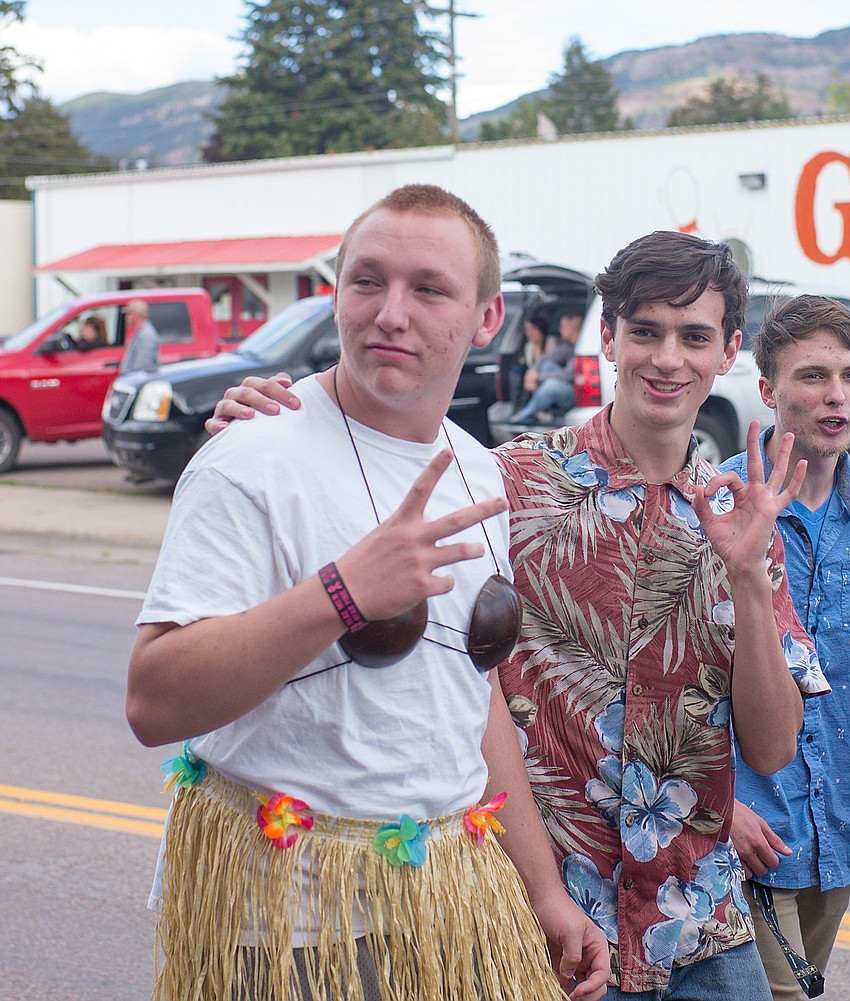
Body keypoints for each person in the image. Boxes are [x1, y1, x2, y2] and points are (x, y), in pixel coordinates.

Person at [208, 230, 829, 999]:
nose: (668, 358)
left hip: (700, 926)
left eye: (694, 336)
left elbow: (770, 750)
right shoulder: (505, 484)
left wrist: (748, 583)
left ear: (728, 350)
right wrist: (277, 420)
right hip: (541, 923)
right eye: (645, 331)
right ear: (607, 338)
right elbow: (366, 492)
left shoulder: (744, 523)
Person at [126, 185, 609, 1001]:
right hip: (286, 923)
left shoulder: (480, 471)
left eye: (429, 288)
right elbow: (154, 701)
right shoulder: (252, 459)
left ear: (486, 318)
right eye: (367, 281)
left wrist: (544, 889)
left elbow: (472, 693)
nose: (391, 312)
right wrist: (342, 594)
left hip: (447, 897)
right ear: (337, 292)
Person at [722, 295, 850, 1001]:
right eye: (812, 376)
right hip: (743, 828)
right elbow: (661, 677)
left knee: (806, 986)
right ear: (768, 389)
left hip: (835, 825)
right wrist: (713, 800)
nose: (835, 394)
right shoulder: (718, 503)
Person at [508, 308, 584, 423]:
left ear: (572, 329)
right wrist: (533, 371)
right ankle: (536, 411)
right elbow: (548, 358)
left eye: (563, 326)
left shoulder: (582, 346)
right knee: (547, 365)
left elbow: (567, 376)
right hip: (566, 386)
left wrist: (538, 377)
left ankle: (524, 415)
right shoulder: (568, 347)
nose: (560, 330)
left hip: (577, 394)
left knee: (551, 385)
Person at [119, 298, 160, 373]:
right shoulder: (141, 333)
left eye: (128, 314)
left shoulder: (146, 335)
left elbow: (141, 367)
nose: (126, 317)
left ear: (135, 315)